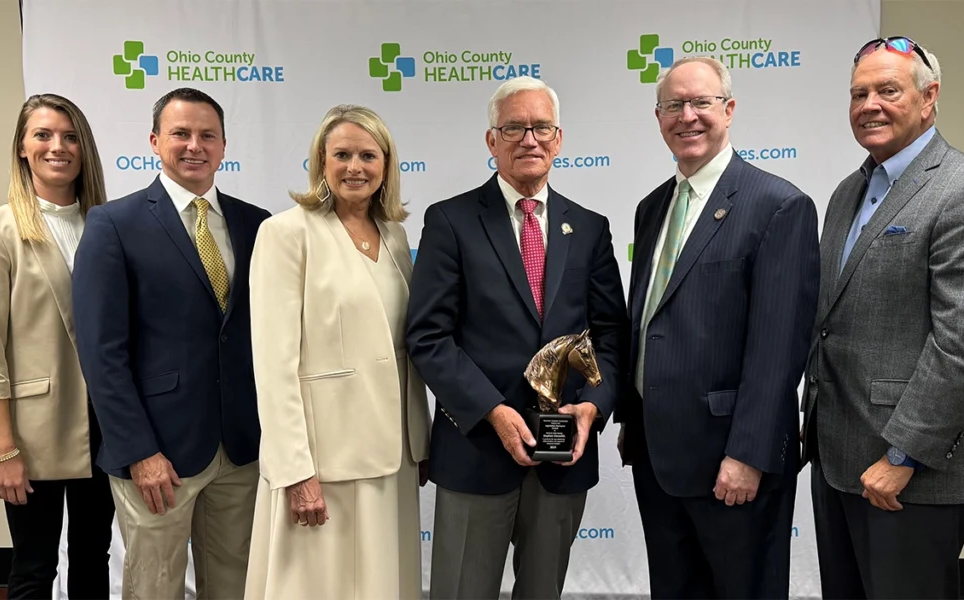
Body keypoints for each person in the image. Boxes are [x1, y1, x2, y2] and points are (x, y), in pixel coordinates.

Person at [406, 76, 627, 600]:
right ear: (492, 141)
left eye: (541, 127)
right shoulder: (450, 221)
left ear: (558, 138)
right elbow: (428, 336)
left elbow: (612, 336)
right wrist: (494, 412)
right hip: (477, 449)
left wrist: (593, 407)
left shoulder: (590, 228)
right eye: (514, 128)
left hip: (563, 453)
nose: (529, 139)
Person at [802, 37, 964, 600]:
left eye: (888, 90)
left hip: (907, 474)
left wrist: (902, 455)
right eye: (858, 93)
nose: (870, 104)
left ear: (928, 96)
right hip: (838, 459)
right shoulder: (850, 191)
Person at [618, 56, 820, 599]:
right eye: (673, 105)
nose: (687, 116)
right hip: (659, 457)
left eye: (701, 102)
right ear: (657, 117)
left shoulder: (778, 205)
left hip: (732, 463)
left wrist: (748, 455)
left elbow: (779, 348)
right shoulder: (652, 207)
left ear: (728, 110)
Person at [72, 87, 271, 600]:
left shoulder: (257, 224)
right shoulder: (113, 224)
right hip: (156, 455)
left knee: (234, 586)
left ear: (224, 145)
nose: (194, 146)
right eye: (180, 134)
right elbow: (101, 354)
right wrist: (140, 451)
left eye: (207, 135)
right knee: (154, 589)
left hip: (241, 447)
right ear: (155, 142)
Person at [243, 104, 431, 600]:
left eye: (368, 155)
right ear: (320, 163)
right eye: (341, 154)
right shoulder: (286, 233)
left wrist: (422, 439)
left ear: (386, 164)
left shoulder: (395, 235)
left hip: (393, 456)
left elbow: (404, 348)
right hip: (324, 460)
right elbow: (273, 363)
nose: (355, 167)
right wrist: (294, 470)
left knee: (384, 584)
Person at [0, 93, 115, 600]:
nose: (57, 146)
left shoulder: (109, 226)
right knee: (34, 567)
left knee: (92, 559)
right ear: (22, 147)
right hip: (31, 434)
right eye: (43, 134)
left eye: (70, 136)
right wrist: (2, 449)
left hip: (106, 426)